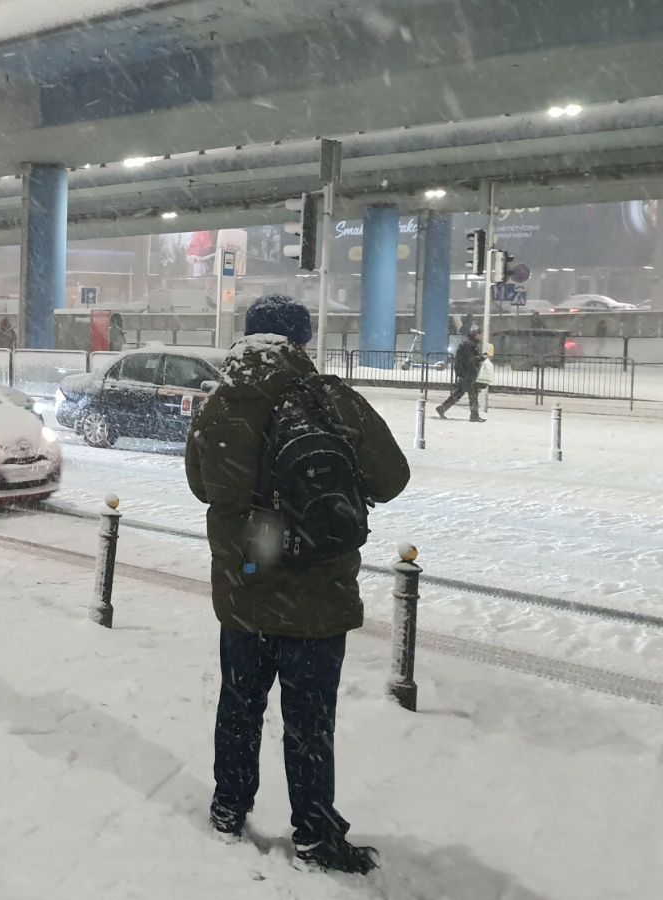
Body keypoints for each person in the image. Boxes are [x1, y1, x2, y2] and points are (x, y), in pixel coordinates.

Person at [184, 294, 409, 874]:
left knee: (240, 707)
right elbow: (392, 478)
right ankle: (315, 832)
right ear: (301, 341)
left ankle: (229, 808)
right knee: (310, 722)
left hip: (245, 590)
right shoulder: (330, 398)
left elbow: (202, 486)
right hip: (316, 593)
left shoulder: (219, 405)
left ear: (247, 337)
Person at [437, 325, 487, 422]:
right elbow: (470, 360)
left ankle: (442, 408)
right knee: (473, 394)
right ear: (476, 334)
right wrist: (482, 357)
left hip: (466, 373)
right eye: (480, 334)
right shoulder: (469, 344)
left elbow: (470, 358)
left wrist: (481, 356)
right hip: (467, 374)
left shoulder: (470, 343)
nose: (482, 336)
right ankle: (474, 416)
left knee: (459, 393)